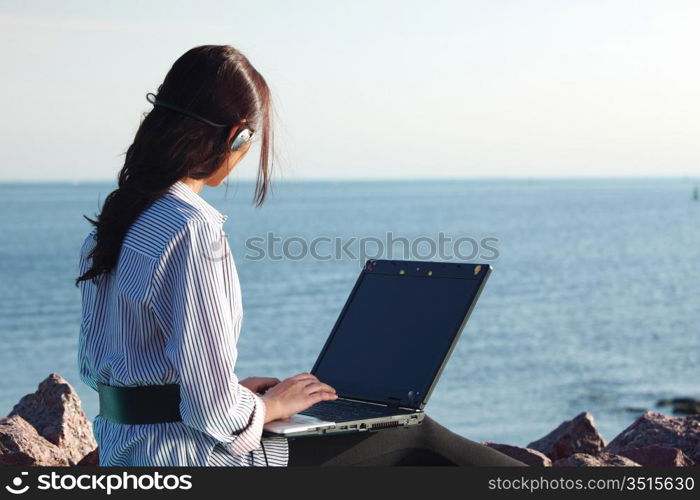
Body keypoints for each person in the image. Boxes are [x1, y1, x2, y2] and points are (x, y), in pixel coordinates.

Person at [75, 44, 526, 467]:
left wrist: (239, 396)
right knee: (415, 436)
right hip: (197, 459)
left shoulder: (116, 221)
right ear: (237, 136)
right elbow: (214, 414)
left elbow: (98, 370)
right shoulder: (192, 229)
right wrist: (267, 406)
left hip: (128, 454)